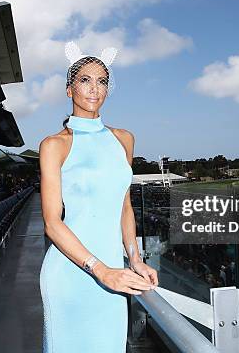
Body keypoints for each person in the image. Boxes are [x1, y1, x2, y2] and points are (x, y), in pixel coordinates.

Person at [39, 41, 158, 352]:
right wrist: (101, 270)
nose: (94, 89)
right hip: (71, 275)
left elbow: (124, 206)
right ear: (69, 89)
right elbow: (52, 224)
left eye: (102, 81)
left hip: (115, 277)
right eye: (85, 80)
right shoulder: (54, 145)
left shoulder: (124, 139)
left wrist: (134, 259)